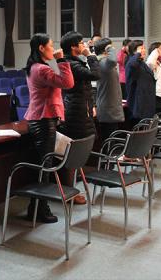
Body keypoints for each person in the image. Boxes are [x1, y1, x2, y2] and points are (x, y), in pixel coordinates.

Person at [23, 33, 74, 223]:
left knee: (44, 165)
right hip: (43, 120)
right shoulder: (41, 69)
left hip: (42, 119)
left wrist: (56, 61)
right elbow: (67, 82)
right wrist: (61, 61)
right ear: (41, 48)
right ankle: (39, 209)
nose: (53, 49)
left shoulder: (36, 67)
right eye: (51, 46)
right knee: (45, 166)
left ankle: (36, 207)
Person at [59, 31, 100, 204]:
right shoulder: (71, 64)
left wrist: (92, 105)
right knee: (73, 153)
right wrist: (90, 55)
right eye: (81, 43)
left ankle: (71, 190)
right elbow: (96, 75)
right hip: (75, 111)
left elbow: (88, 87)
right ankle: (69, 193)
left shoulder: (74, 62)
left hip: (81, 108)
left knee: (77, 152)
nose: (84, 45)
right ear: (73, 47)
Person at [94, 38, 125, 143]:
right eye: (111, 47)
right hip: (108, 109)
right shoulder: (103, 62)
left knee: (111, 138)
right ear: (105, 50)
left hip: (109, 108)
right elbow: (113, 61)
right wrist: (110, 48)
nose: (113, 48)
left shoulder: (103, 63)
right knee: (109, 140)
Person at [125, 40, 156, 128]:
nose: (144, 50)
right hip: (138, 104)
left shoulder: (141, 63)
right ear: (134, 51)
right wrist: (138, 54)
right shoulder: (131, 62)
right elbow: (132, 64)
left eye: (144, 48)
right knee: (140, 129)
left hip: (146, 102)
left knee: (146, 128)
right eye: (141, 48)